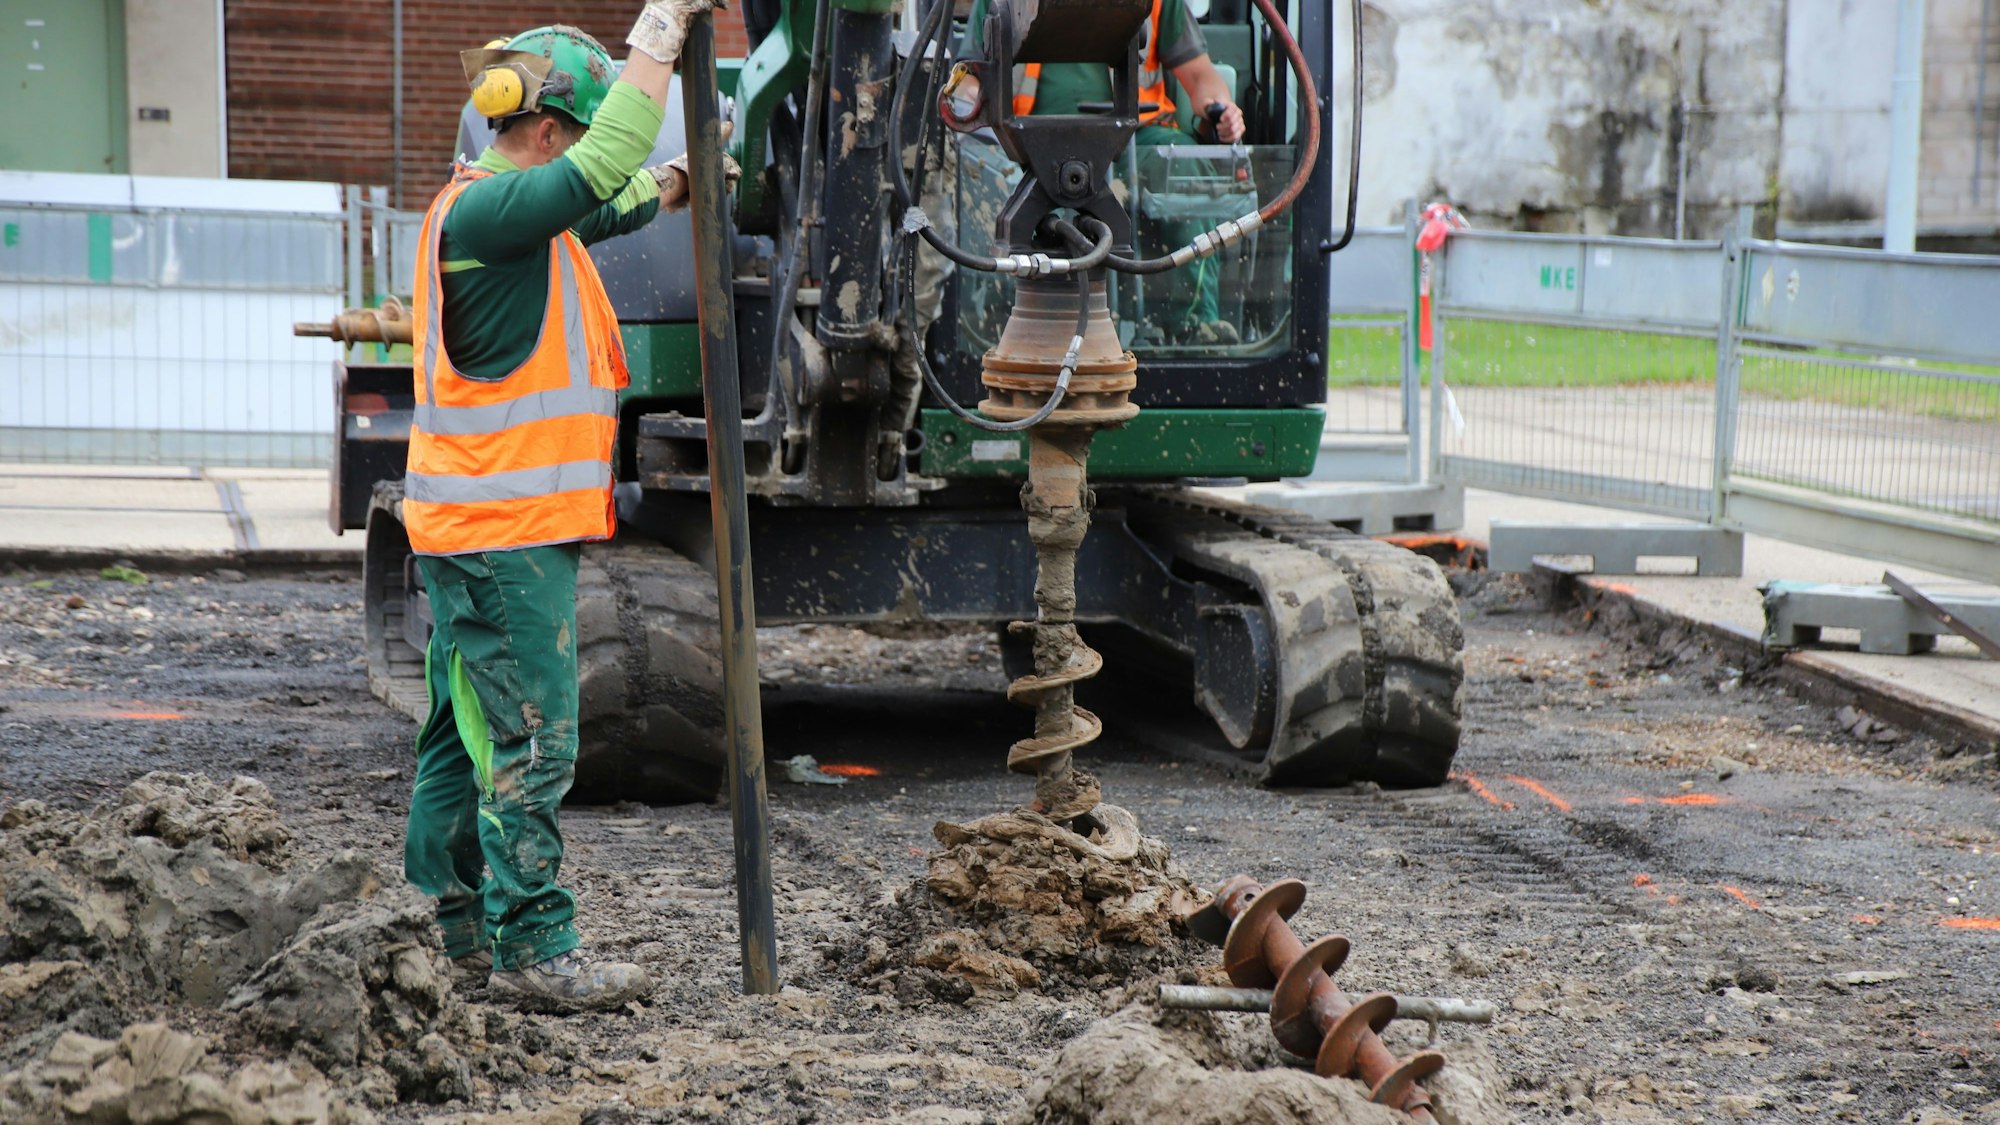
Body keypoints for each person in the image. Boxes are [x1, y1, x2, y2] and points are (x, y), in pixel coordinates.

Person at [400, 3, 720, 1013]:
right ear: (547, 136)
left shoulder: (498, 213)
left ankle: (447, 928)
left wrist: (671, 184)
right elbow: (604, 160)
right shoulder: (495, 216)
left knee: (465, 734)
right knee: (534, 742)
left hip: (471, 529)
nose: (585, 160)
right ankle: (536, 948)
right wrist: (660, 32)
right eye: (576, 143)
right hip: (507, 536)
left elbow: (611, 196)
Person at [944, 0, 1245, 343]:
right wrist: (969, 103)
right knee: (985, 177)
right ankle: (1009, 335)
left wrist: (1220, 110)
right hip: (1030, 139)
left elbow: (1200, 75)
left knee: (1186, 165)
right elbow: (971, 78)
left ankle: (1195, 327)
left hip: (1137, 136)